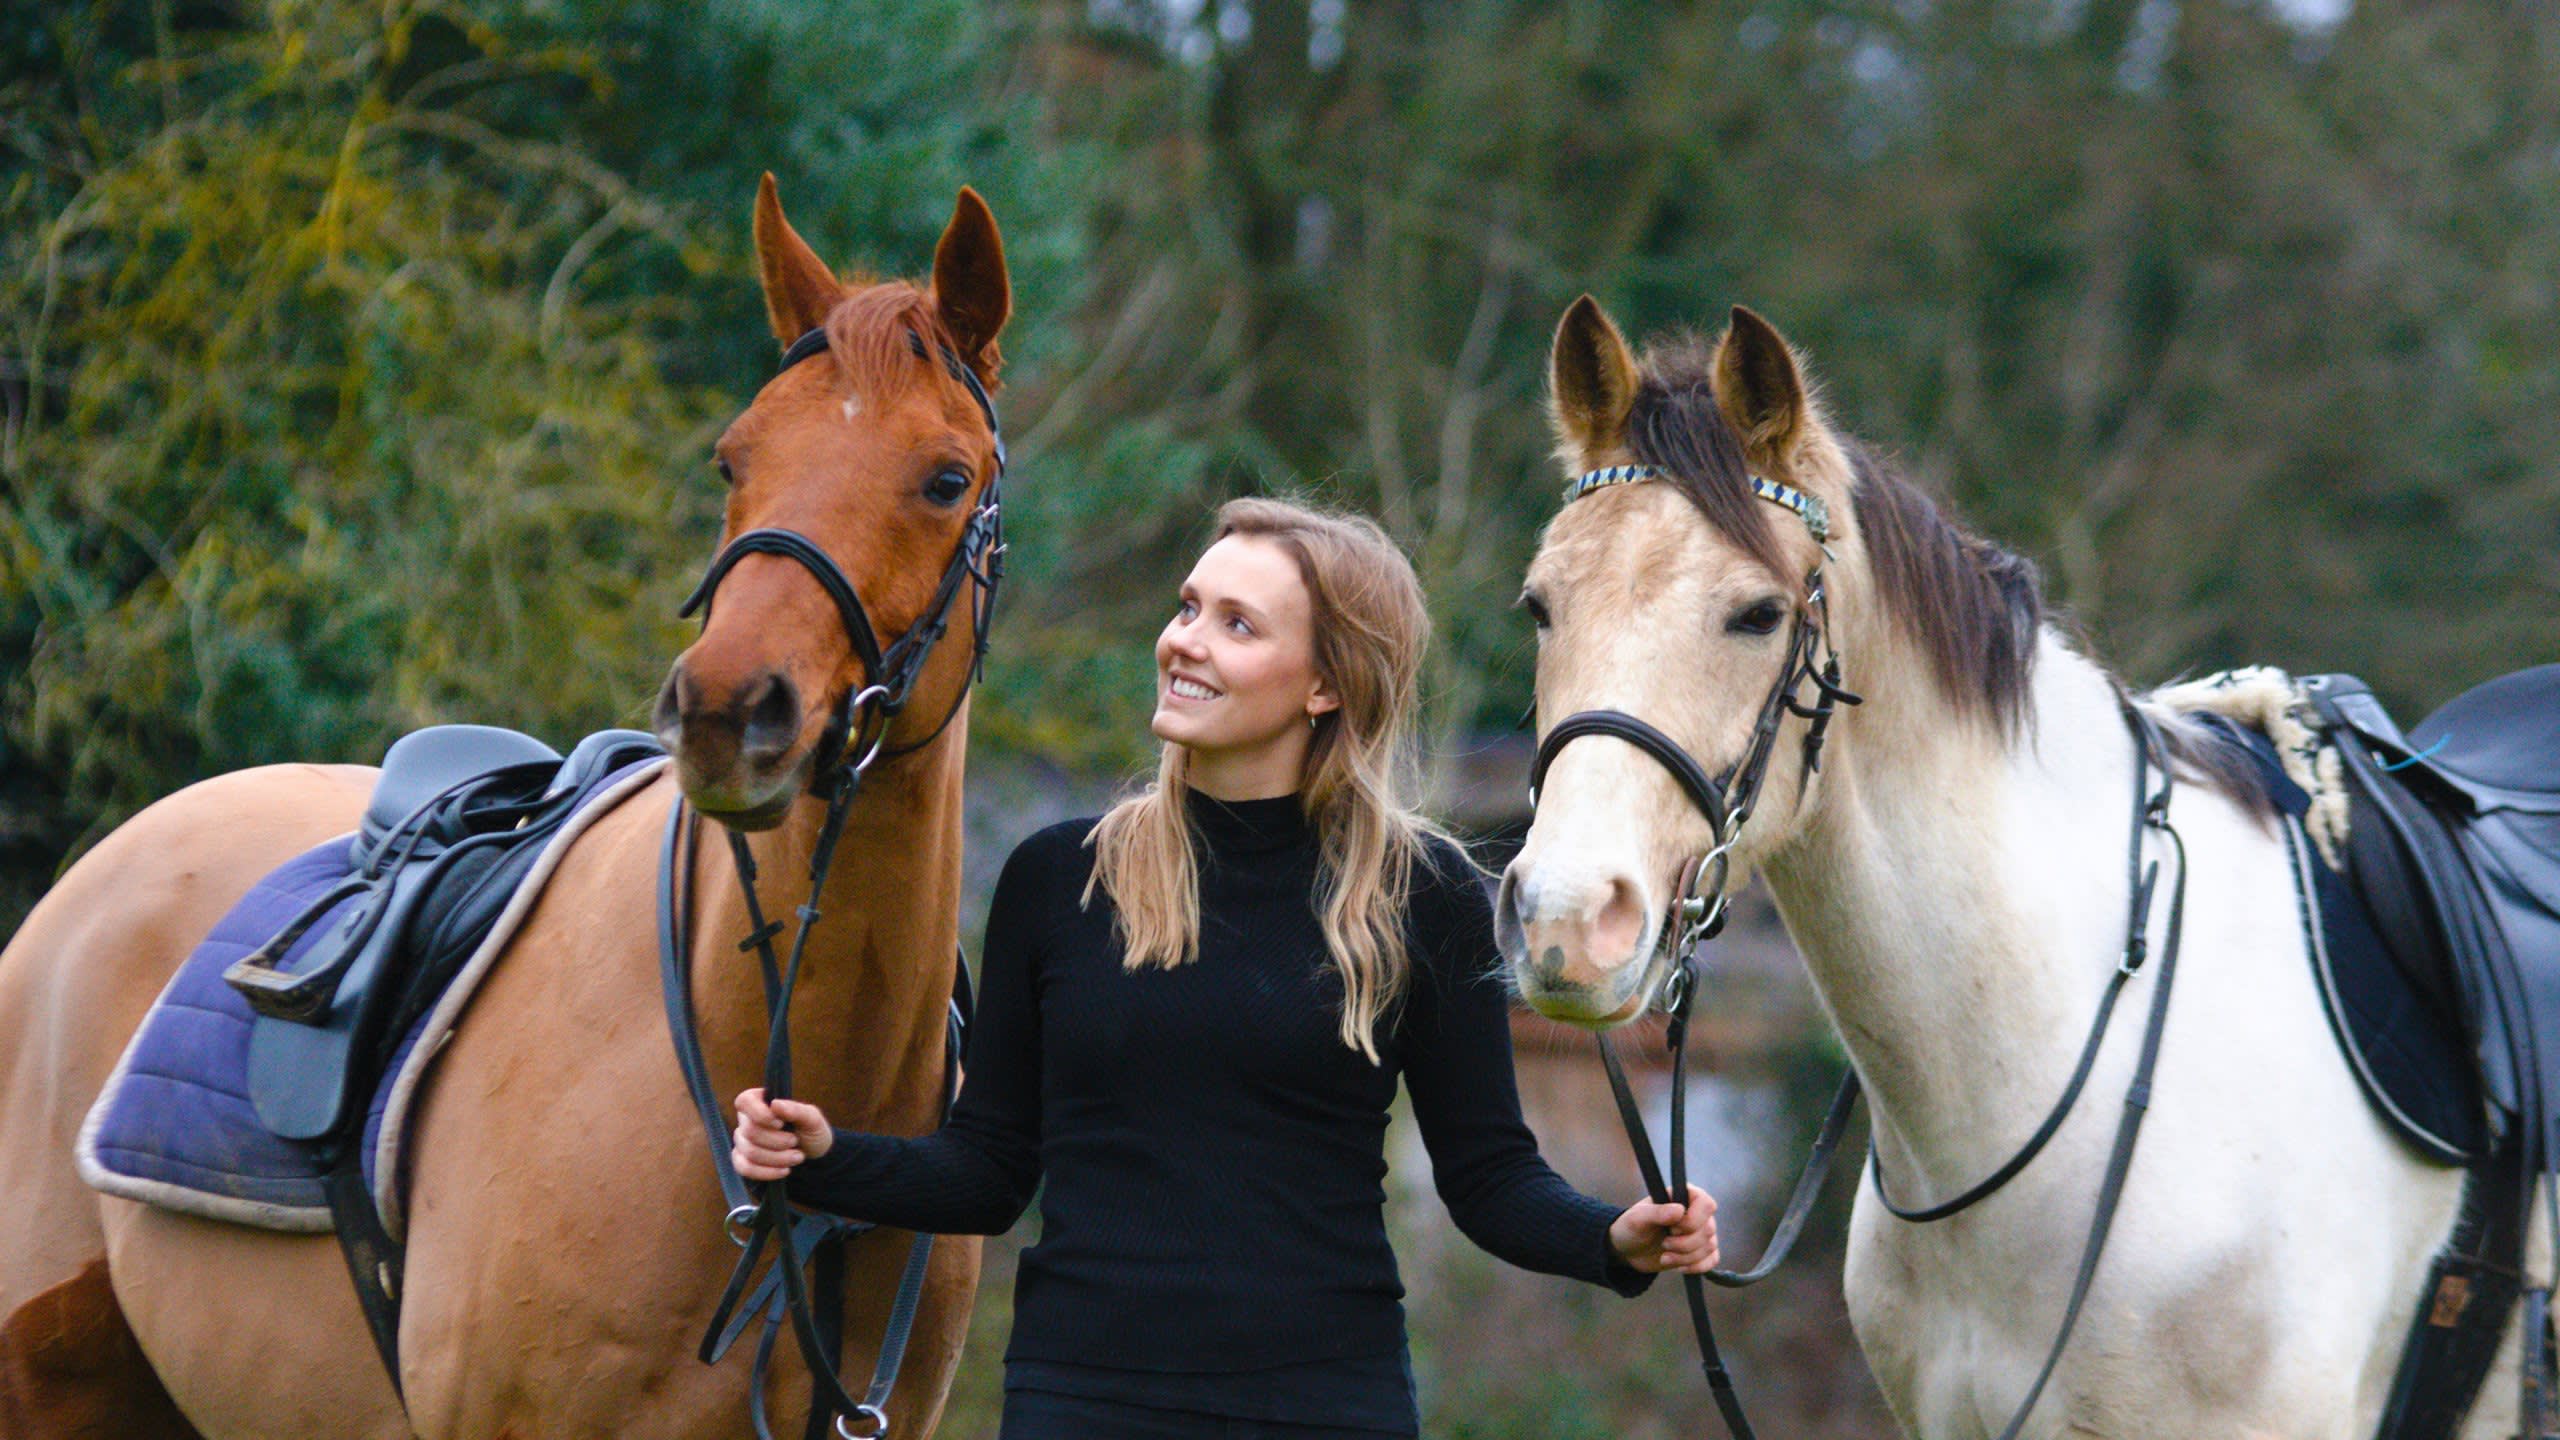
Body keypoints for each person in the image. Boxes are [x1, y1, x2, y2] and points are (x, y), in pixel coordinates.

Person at [732, 497, 1718, 1439]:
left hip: (1327, 1404)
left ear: (1325, 683)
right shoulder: (1059, 880)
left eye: (1236, 625)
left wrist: (1612, 1239)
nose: (1183, 641)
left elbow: (1489, 1177)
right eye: (1188, 607)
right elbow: (989, 1170)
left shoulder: (1426, 895)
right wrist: (824, 1159)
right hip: (1083, 1402)